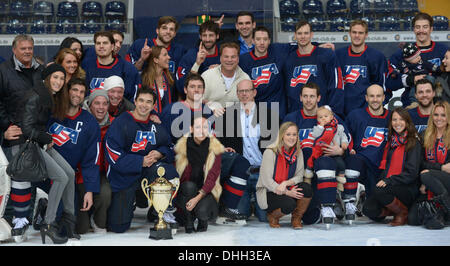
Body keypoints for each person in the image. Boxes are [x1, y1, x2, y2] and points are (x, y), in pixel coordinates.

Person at [13, 64, 76, 244]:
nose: (58, 81)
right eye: (55, 77)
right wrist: (45, 137)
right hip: (29, 145)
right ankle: (48, 224)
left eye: (62, 78)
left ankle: (69, 220)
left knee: (70, 174)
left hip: (39, 142)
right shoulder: (36, 96)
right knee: (61, 178)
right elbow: (26, 128)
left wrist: (44, 138)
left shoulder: (49, 96)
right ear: (47, 78)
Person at [104, 86, 178, 233]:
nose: (144, 105)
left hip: (148, 173)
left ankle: (160, 210)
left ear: (154, 105)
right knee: (118, 227)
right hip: (124, 176)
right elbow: (113, 154)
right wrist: (140, 161)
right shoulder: (121, 122)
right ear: (135, 101)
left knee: (165, 170)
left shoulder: (155, 124)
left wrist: (159, 153)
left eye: (149, 102)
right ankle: (130, 204)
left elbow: (170, 147)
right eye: (141, 101)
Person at [47, 78, 110, 235]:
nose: (78, 94)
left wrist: (89, 190)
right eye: (74, 90)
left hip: (69, 178)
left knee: (78, 229)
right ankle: (42, 208)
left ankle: (46, 210)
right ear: (67, 92)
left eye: (82, 92)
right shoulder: (52, 112)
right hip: (45, 173)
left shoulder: (90, 123)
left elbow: (91, 161)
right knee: (59, 227)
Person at [283, 82, 349, 226]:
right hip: (300, 171)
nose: (308, 100)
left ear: (319, 98)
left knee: (324, 161)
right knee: (309, 218)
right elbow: (281, 145)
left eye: (312, 96)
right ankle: (325, 200)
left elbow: (346, 137)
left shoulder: (329, 117)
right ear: (300, 98)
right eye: (305, 96)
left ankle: (329, 203)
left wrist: (341, 150)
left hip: (325, 165)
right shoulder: (291, 118)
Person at [214, 80, 278, 222]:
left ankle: (257, 201)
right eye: (241, 91)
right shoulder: (228, 115)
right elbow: (215, 141)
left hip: (262, 173)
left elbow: (278, 145)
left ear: (254, 92)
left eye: (247, 91)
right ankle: (249, 202)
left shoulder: (268, 114)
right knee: (242, 214)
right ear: (237, 94)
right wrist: (221, 148)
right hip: (241, 175)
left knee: (264, 217)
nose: (244, 94)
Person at [0, 34, 44, 232]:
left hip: (36, 131)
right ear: (14, 50)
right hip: (16, 132)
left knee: (33, 175)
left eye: (30, 48)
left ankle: (27, 216)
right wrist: (6, 126)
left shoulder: (40, 70)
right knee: (18, 174)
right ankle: (13, 220)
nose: (27, 51)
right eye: (23, 48)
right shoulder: (3, 71)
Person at [362, 107, 421, 226]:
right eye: (394, 119)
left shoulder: (414, 142)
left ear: (407, 122)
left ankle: (402, 212)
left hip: (407, 187)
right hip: (392, 186)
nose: (397, 123)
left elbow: (412, 173)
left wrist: (389, 180)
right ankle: (395, 210)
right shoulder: (391, 142)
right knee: (368, 209)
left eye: (401, 119)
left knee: (380, 190)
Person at [256, 121, 313, 229]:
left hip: (286, 187)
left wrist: (286, 183)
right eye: (288, 134)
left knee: (306, 188)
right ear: (282, 135)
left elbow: (299, 176)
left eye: (294, 134)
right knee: (289, 204)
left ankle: (296, 218)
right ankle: (273, 216)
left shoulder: (298, 152)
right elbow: (266, 180)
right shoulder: (270, 151)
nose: (291, 138)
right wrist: (286, 192)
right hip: (269, 191)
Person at [387, 12, 448, 107]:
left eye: (425, 27)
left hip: (440, 107)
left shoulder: (444, 51)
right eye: (418, 27)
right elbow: (389, 83)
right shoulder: (402, 54)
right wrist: (410, 79)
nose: (421, 30)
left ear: (431, 29)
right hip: (411, 106)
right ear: (414, 29)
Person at [174, 115, 223, 233]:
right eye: (197, 127)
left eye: (205, 127)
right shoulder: (181, 147)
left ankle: (202, 220)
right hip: (186, 191)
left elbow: (212, 178)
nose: (201, 131)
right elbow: (178, 176)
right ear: (191, 129)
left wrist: (196, 199)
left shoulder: (215, 148)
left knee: (202, 211)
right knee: (188, 186)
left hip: (206, 192)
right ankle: (188, 220)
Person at [283, 20, 344, 116]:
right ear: (295, 35)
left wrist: (332, 109)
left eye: (306, 33)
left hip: (321, 114)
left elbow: (337, 84)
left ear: (311, 34)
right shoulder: (288, 59)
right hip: (297, 115)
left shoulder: (326, 55)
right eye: (299, 33)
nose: (303, 36)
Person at [239, 25, 297, 119]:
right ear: (253, 40)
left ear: (269, 41)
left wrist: (319, 46)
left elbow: (302, 45)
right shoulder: (243, 60)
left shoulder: (278, 51)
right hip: (255, 112)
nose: (262, 43)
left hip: (277, 111)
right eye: (258, 39)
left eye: (265, 39)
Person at [409, 101, 450, 229]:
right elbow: (420, 163)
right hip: (429, 181)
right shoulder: (424, 135)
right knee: (413, 219)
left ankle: (447, 206)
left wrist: (428, 176)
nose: (439, 119)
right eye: (436, 115)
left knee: (426, 176)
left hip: (447, 181)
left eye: (443, 115)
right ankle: (441, 213)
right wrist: (439, 168)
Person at [335, 19, 388, 116]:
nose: (357, 36)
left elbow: (382, 86)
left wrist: (376, 109)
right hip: (342, 112)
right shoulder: (338, 55)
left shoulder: (377, 57)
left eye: (360, 33)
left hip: (366, 112)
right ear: (349, 33)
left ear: (366, 35)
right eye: (354, 32)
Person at [82, 31, 141, 102]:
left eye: (105, 43)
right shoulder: (86, 66)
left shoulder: (128, 68)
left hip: (119, 111)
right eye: (98, 43)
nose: (101, 46)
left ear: (112, 46)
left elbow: (132, 98)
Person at [304, 105, 349, 190]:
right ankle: (308, 176)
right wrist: (321, 126)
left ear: (331, 117)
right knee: (311, 160)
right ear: (317, 119)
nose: (323, 118)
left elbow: (343, 136)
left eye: (326, 116)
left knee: (341, 164)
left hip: (335, 153)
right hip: (322, 152)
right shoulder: (318, 128)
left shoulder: (338, 127)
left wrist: (344, 143)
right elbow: (316, 136)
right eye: (320, 117)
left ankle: (340, 181)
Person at [160, 73, 214, 144]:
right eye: (192, 87)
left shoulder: (208, 112)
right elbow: (164, 140)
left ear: (203, 91)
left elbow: (211, 138)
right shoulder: (171, 110)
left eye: (199, 87)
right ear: (185, 90)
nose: (196, 90)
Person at [175, 20, 221, 95]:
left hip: (220, 100)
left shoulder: (225, 54)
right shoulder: (190, 55)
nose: (207, 39)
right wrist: (197, 64)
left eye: (211, 35)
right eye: (204, 35)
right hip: (197, 102)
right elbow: (181, 87)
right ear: (200, 36)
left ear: (217, 36)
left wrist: (222, 70)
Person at [202, 42, 251, 112]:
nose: (229, 60)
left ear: (238, 59)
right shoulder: (207, 76)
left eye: (233, 57)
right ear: (220, 58)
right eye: (226, 56)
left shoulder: (245, 79)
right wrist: (211, 108)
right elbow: (197, 101)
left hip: (235, 119)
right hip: (210, 119)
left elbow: (248, 106)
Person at [141, 46, 177, 113]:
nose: (169, 57)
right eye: (165, 55)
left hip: (168, 118)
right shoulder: (144, 78)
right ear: (156, 60)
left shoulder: (171, 78)